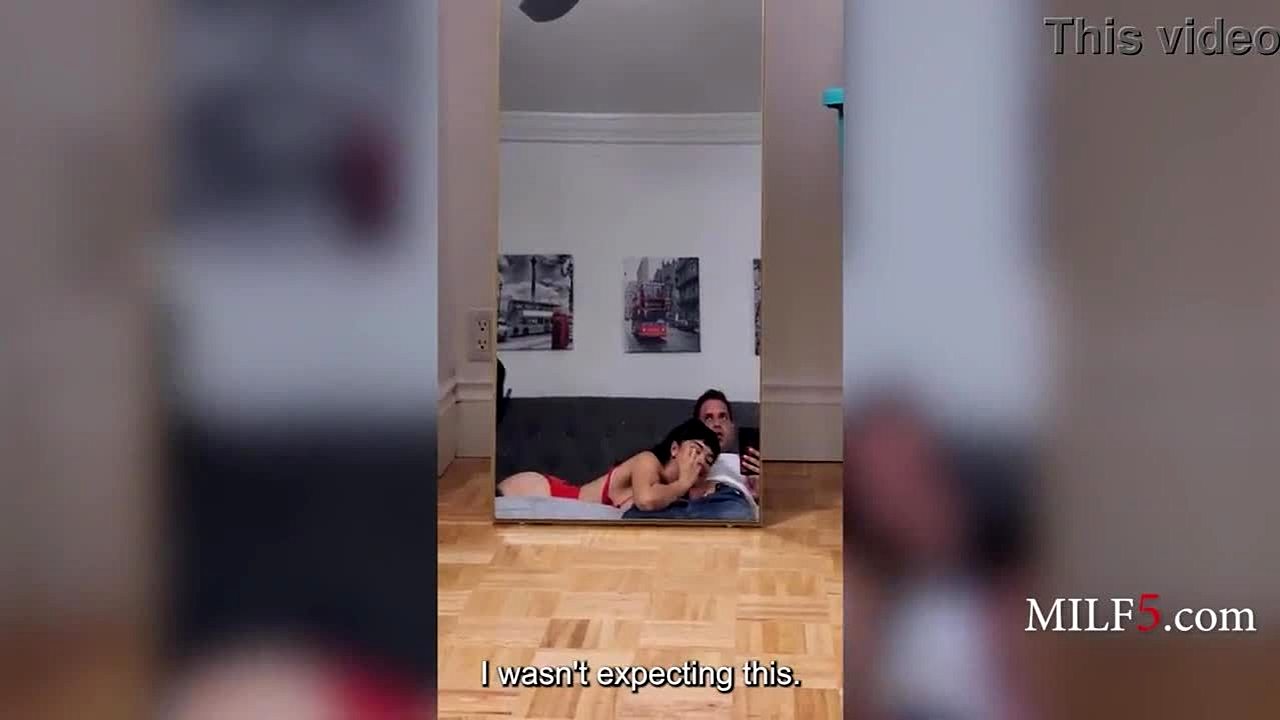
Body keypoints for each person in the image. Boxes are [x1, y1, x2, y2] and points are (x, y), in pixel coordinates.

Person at [496, 418, 719, 512]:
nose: (701, 460)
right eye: (697, 449)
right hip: (545, 491)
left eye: (709, 460)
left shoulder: (675, 492)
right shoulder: (647, 461)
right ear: (674, 449)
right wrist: (684, 483)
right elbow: (646, 500)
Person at [620, 389, 760, 522]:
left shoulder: (747, 461)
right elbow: (645, 498)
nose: (717, 424)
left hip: (728, 501)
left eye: (723, 417)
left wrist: (761, 494)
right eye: (708, 418)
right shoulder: (669, 460)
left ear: (732, 426)